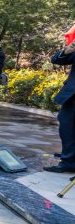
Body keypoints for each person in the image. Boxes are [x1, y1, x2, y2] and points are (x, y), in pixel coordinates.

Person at [44, 39, 75, 173]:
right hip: (72, 96)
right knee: (67, 127)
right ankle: (69, 160)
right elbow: (56, 59)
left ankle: (69, 159)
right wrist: (67, 51)